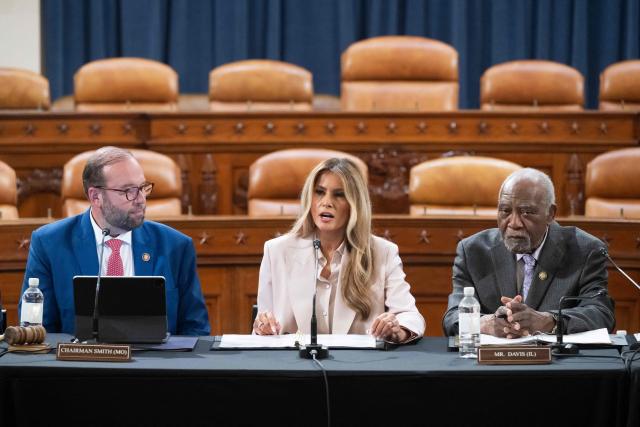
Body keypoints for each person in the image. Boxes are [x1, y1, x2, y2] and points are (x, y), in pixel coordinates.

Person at [19, 146, 210, 336]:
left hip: (155, 364)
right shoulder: (50, 243)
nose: (140, 199)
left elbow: (196, 330)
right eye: (128, 191)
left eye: (143, 188)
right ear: (96, 197)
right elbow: (38, 331)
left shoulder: (175, 247)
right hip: (81, 362)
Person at [254, 157, 425, 343]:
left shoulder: (382, 252)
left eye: (339, 194)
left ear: (355, 204)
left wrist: (397, 328)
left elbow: (410, 316)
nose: (326, 202)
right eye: (319, 192)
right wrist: (263, 327)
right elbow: (262, 325)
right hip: (295, 366)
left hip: (359, 367)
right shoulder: (277, 251)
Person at [442, 168, 615, 338]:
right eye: (505, 211)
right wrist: (486, 324)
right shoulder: (472, 252)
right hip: (492, 363)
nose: (514, 223)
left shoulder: (585, 250)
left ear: (550, 214)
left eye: (526, 212)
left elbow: (601, 314)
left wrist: (549, 321)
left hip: (556, 363)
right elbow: (452, 318)